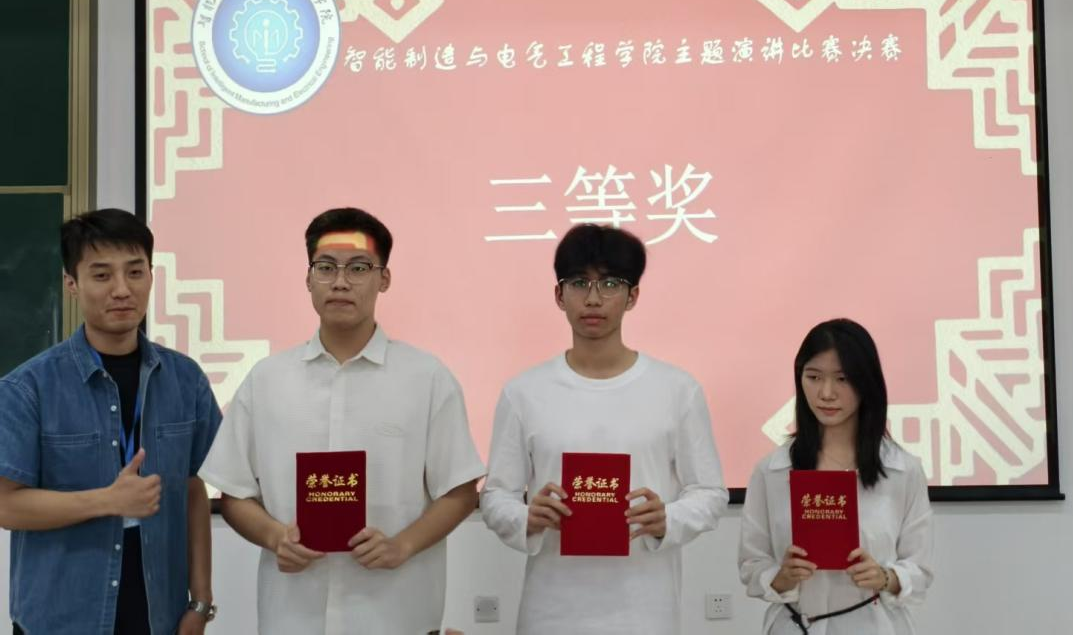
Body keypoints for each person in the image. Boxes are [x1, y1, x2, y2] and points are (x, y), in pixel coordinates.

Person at [198, 208, 484, 635]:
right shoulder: (267, 380)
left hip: (395, 614)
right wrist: (275, 537)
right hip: (292, 617)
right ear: (308, 278)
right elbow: (234, 492)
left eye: (359, 268)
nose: (341, 282)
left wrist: (402, 545)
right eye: (326, 267)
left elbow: (459, 491)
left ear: (384, 279)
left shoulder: (426, 378)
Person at [481, 223, 727, 635]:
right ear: (559, 295)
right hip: (551, 611)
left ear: (633, 296)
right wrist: (527, 516)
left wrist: (667, 517)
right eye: (579, 283)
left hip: (646, 611)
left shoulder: (677, 390)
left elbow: (710, 492)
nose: (593, 299)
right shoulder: (524, 392)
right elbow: (496, 495)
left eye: (610, 284)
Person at [0, 208, 222, 634]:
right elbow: (7, 506)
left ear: (151, 276)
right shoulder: (28, 388)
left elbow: (194, 488)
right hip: (60, 617)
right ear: (71, 283)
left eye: (135, 272)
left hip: (159, 614)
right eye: (102, 275)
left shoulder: (185, 379)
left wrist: (200, 600)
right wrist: (107, 501)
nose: (122, 289)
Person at [739, 318, 933, 635]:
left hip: (873, 625)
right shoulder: (772, 471)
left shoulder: (902, 470)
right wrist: (782, 577)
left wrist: (885, 577)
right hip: (796, 624)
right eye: (814, 377)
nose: (826, 393)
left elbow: (920, 568)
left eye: (842, 379)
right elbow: (751, 564)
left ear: (866, 383)